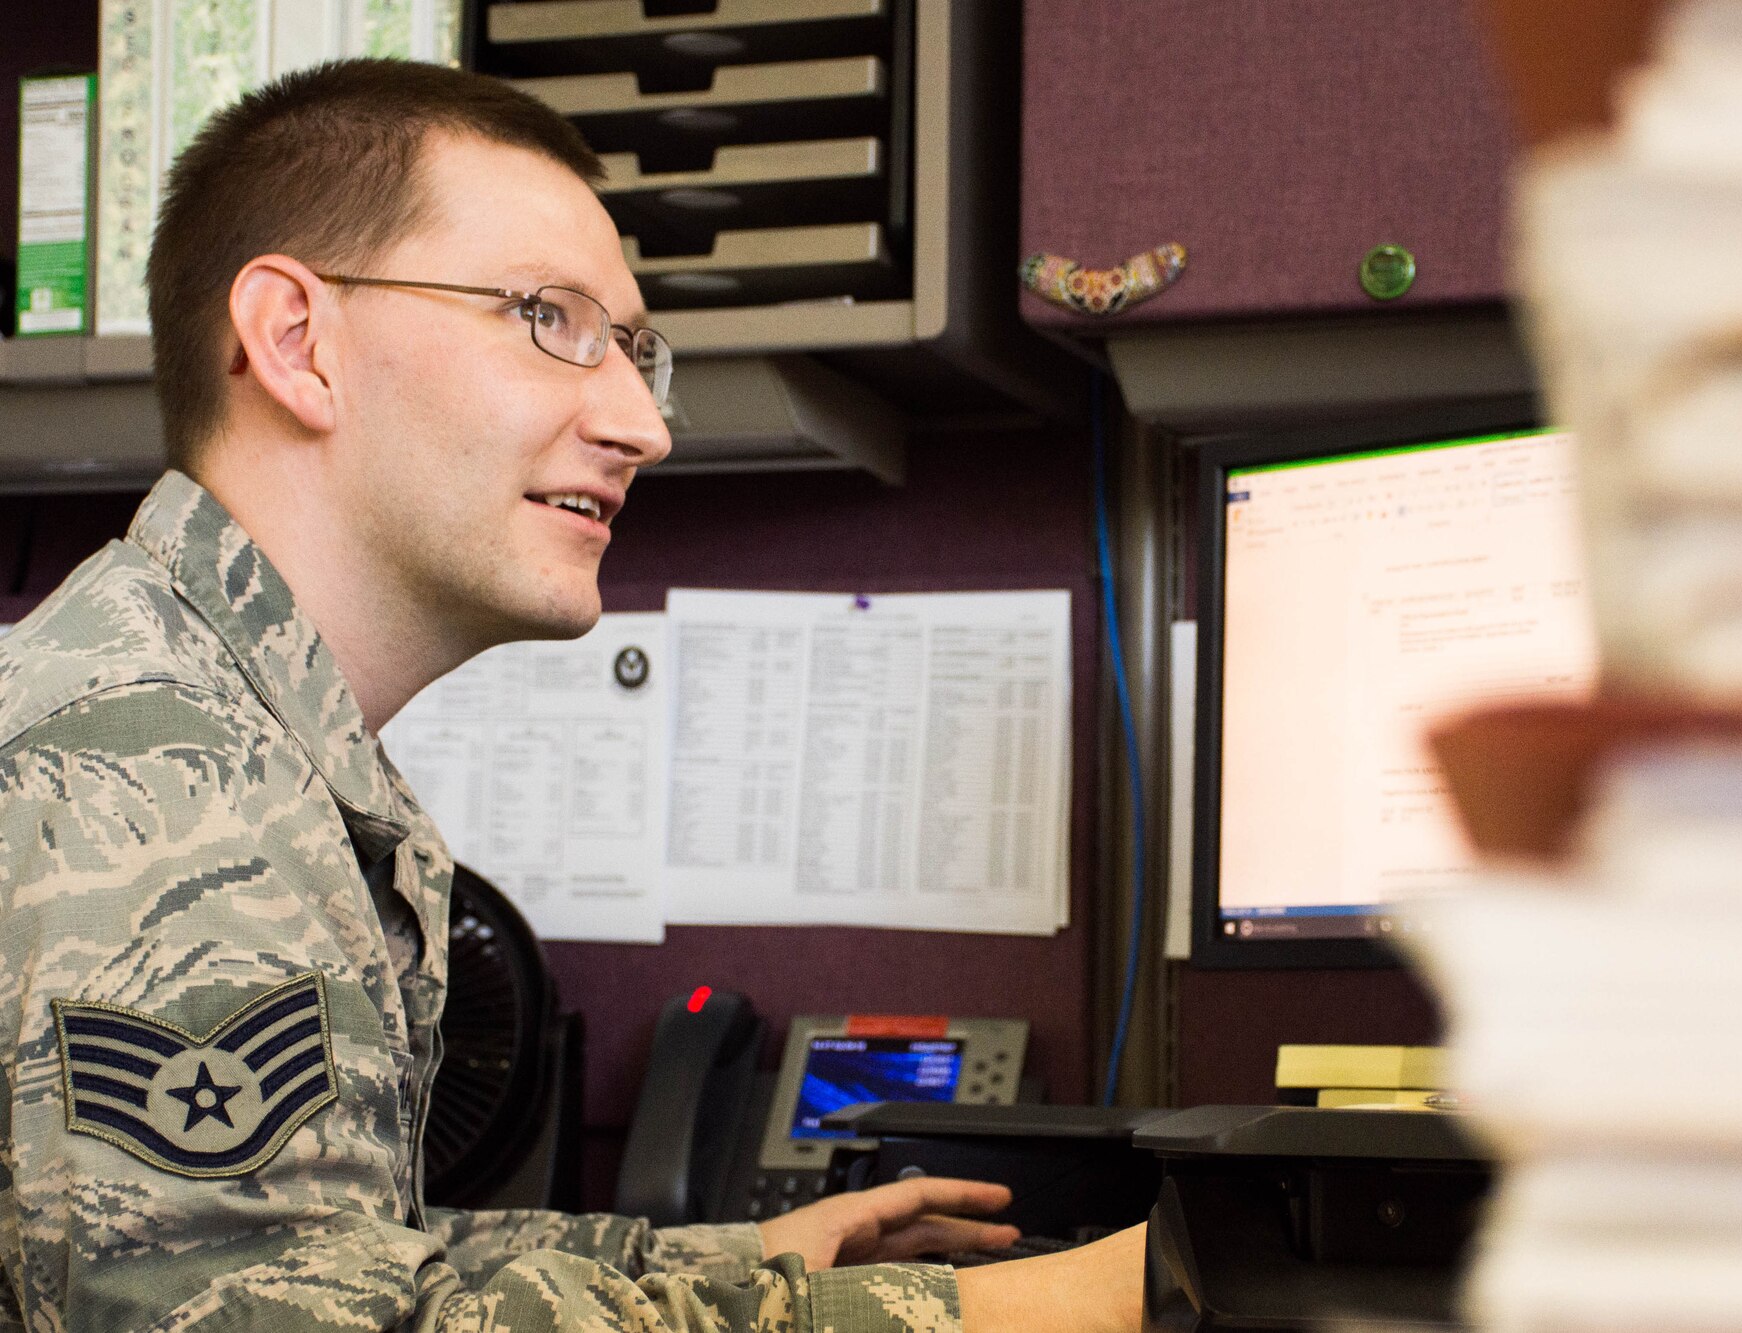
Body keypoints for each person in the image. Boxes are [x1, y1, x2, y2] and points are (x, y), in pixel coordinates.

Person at [0, 57, 1144, 1332]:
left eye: (634, 352)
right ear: (296, 342)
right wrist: (1029, 1312)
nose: (642, 427)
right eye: (552, 320)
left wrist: (747, 1264)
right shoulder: (145, 784)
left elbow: (322, 1257)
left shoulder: (217, 729)